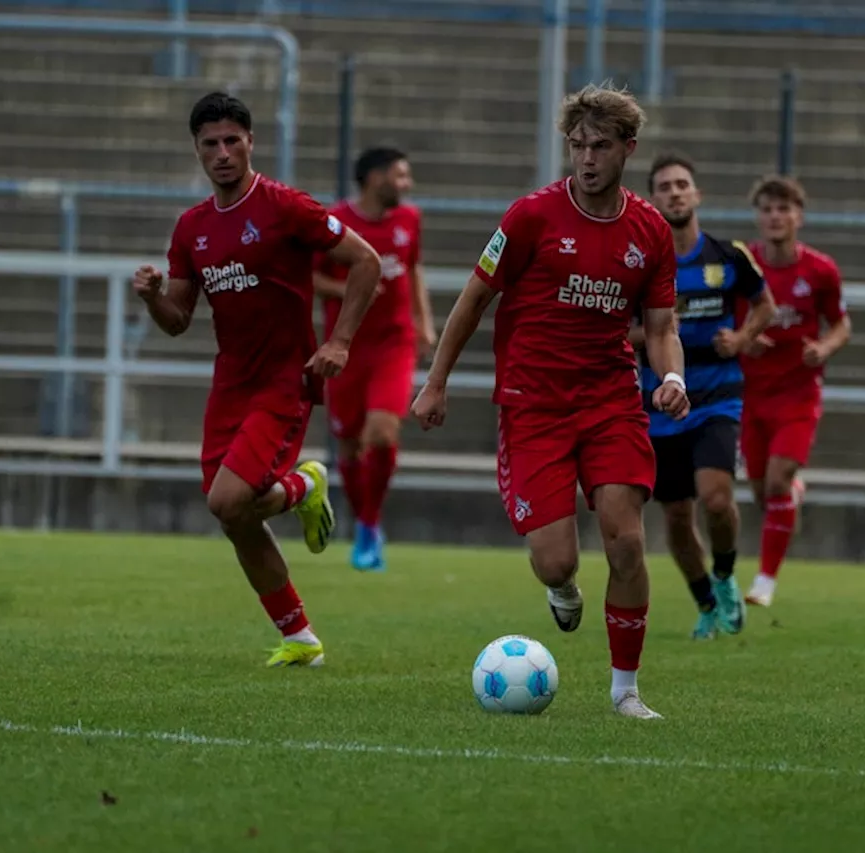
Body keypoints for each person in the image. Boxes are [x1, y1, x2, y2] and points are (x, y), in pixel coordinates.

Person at [411, 83, 688, 719]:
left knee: (625, 541)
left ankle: (626, 691)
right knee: (555, 558)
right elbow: (474, 301)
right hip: (533, 405)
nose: (586, 158)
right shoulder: (530, 217)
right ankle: (561, 586)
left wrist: (672, 379)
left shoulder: (649, 229)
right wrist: (436, 381)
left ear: (628, 149)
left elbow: (661, 326)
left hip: (611, 401)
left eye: (600, 146)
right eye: (576, 145)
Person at [132, 92, 382, 667]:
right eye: (210, 144)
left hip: (283, 380)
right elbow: (177, 321)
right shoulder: (191, 229)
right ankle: (300, 638)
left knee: (229, 498)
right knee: (230, 513)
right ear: (196, 150)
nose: (222, 153)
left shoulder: (284, 206)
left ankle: (302, 486)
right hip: (231, 384)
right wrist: (151, 298)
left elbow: (366, 261)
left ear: (251, 142)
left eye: (232, 141)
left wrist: (339, 341)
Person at [640, 152, 776, 639]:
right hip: (659, 402)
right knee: (677, 513)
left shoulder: (729, 256)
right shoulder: (643, 263)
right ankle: (704, 603)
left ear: (696, 194)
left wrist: (740, 340)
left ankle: (723, 577)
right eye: (664, 186)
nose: (674, 192)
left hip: (717, 395)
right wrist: (654, 330)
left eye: (682, 184)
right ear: (652, 200)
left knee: (717, 500)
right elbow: (620, 329)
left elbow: (764, 304)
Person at [314, 146, 436, 572]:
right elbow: (310, 276)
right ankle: (363, 521)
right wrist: (354, 289)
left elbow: (414, 267)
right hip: (345, 346)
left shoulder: (410, 220)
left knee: (382, 433)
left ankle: (369, 526)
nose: (407, 185)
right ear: (374, 178)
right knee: (348, 445)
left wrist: (423, 322)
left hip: (393, 343)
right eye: (400, 176)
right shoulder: (333, 223)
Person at [741, 175, 852, 607]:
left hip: (798, 395)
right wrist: (743, 337)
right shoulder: (743, 265)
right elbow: (723, 321)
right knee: (759, 490)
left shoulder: (820, 270)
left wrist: (823, 347)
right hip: (750, 395)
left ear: (798, 217)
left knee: (776, 481)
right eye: (767, 209)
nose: (775, 216)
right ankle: (793, 494)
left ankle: (765, 582)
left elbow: (842, 324)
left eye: (783, 209)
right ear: (758, 216)